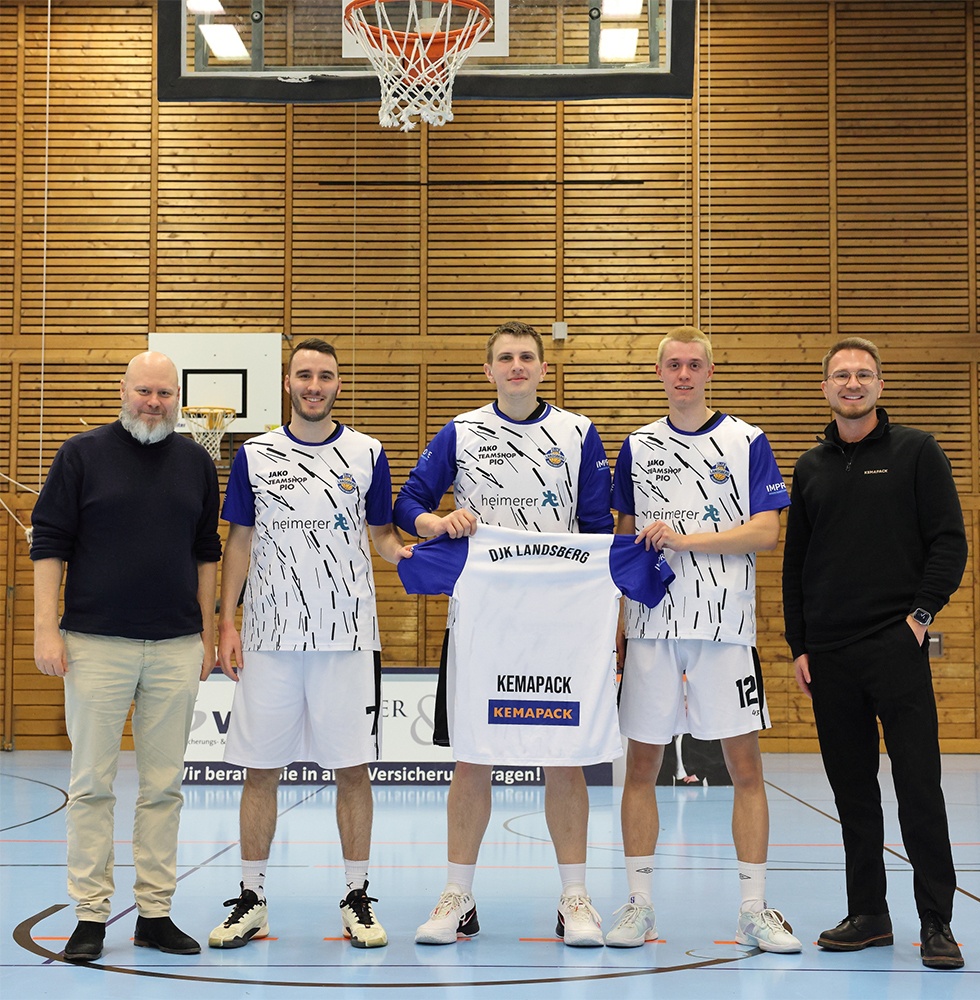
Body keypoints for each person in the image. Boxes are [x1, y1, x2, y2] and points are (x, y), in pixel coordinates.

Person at [393, 320, 614, 947]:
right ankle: (457, 895)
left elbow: (598, 527)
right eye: (505, 358)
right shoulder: (461, 431)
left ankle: (575, 897)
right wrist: (436, 520)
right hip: (483, 617)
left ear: (544, 368)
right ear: (488, 370)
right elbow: (406, 501)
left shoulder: (577, 433)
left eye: (526, 357)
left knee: (564, 760)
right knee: (474, 757)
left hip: (561, 623)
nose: (516, 366)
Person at [208, 338, 410, 951]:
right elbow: (238, 542)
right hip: (269, 639)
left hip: (346, 639)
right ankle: (251, 898)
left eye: (325, 376)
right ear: (289, 383)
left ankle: (356, 896)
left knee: (353, 770)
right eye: (304, 375)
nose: (314, 385)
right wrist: (226, 622)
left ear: (338, 385)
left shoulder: (369, 453)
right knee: (259, 771)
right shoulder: (256, 455)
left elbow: (382, 535)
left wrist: (419, 558)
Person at [608, 326, 801, 953]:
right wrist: (613, 634)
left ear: (710, 372)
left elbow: (766, 533)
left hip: (724, 631)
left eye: (695, 365)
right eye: (673, 365)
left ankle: (753, 907)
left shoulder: (747, 441)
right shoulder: (637, 447)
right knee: (641, 768)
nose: (684, 375)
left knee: (746, 770)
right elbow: (624, 543)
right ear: (660, 373)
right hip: (651, 630)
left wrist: (686, 539)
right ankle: (639, 906)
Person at [781, 337, 967, 970]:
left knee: (920, 787)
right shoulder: (809, 467)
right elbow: (796, 565)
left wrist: (918, 618)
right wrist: (800, 645)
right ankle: (869, 915)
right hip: (829, 655)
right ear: (826, 387)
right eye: (840, 375)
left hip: (895, 646)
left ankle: (936, 922)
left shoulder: (918, 452)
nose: (851, 383)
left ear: (879, 385)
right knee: (853, 792)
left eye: (862, 374)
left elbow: (948, 541)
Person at [31, 351, 221, 963]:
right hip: (94, 644)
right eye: (144, 391)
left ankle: (155, 914)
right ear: (123, 391)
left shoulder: (196, 461)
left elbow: (206, 553)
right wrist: (45, 631)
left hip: (174, 645)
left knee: (164, 788)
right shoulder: (81, 455)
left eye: (165, 393)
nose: (154, 402)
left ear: (178, 397)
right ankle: (90, 914)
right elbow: (50, 544)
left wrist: (209, 633)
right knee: (91, 786)